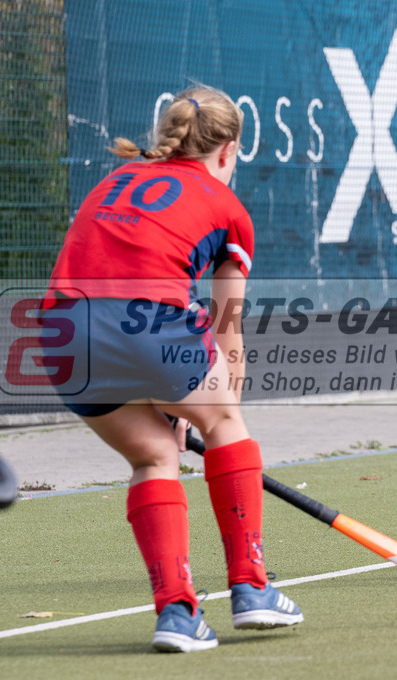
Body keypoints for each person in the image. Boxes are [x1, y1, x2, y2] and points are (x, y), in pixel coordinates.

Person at [41, 85, 303, 651]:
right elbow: (226, 331)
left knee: (155, 453)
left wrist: (175, 396)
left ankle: (178, 615)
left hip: (62, 333)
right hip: (148, 322)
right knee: (227, 424)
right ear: (228, 152)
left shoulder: (114, 180)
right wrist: (214, 409)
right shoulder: (229, 208)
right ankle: (252, 589)